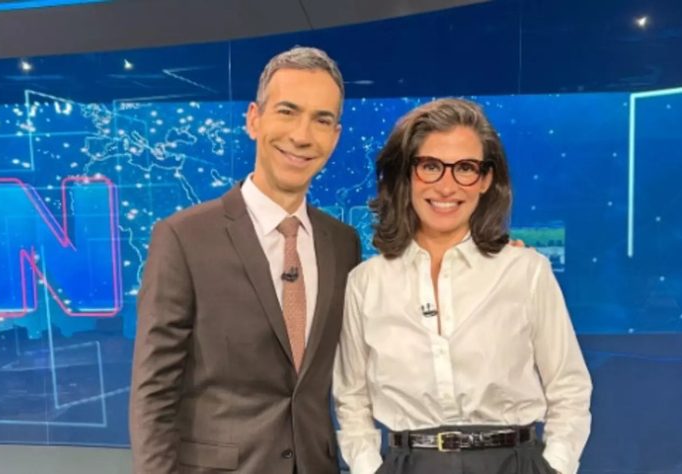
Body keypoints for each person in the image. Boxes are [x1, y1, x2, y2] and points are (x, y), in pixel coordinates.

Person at [129, 46, 362, 474]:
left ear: (335, 135)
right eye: (288, 112)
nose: (302, 136)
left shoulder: (343, 244)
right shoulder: (184, 237)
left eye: (321, 120)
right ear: (254, 119)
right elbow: (153, 394)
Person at [333, 98, 592, 474]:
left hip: (513, 463)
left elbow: (569, 387)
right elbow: (351, 399)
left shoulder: (526, 271)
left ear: (486, 180)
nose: (446, 186)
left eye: (465, 168)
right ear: (407, 175)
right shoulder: (366, 283)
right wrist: (369, 468)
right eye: (430, 166)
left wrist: (555, 467)